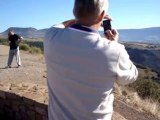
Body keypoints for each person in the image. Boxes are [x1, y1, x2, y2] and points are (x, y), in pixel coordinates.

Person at [44, 0, 138, 120]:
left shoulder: (51, 36)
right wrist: (114, 44)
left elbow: (61, 24)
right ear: (102, 15)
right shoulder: (114, 51)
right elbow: (130, 77)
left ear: (74, 12)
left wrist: (78, 18)